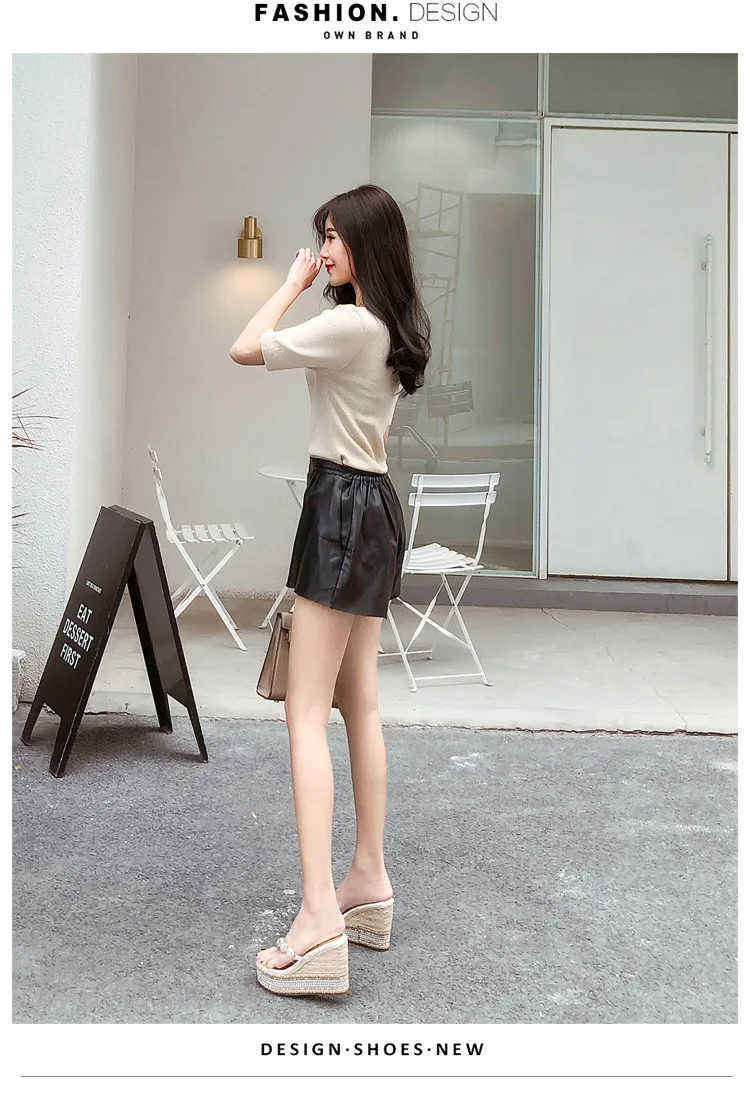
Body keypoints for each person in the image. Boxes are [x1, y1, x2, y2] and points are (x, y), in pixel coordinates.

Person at [230, 183, 431, 997]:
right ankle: (367, 880)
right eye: (321, 235)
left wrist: (287, 283)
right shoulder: (388, 328)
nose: (324, 249)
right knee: (360, 704)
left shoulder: (348, 325)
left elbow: (244, 347)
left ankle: (318, 917)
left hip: (340, 505)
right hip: (374, 504)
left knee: (305, 711)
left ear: (368, 245)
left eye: (336, 237)